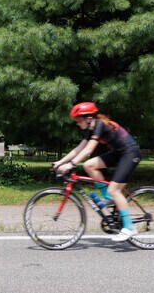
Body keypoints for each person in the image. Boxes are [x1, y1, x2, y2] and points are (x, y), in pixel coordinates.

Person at [53, 102, 142, 241]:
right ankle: (108, 197)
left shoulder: (99, 124)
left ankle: (130, 227)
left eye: (78, 119)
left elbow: (89, 150)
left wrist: (71, 164)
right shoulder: (91, 129)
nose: (76, 123)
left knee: (115, 190)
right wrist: (60, 162)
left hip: (130, 153)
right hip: (119, 153)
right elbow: (79, 148)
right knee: (89, 165)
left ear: (88, 117)